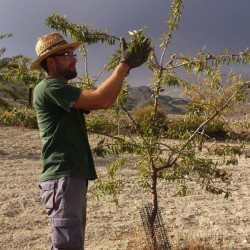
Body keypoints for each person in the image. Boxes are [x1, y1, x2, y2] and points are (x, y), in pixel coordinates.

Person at [30, 32, 151, 250]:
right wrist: (124, 64)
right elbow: (101, 100)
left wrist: (126, 67)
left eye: (73, 53)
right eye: (67, 54)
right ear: (50, 62)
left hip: (68, 177)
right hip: (63, 176)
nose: (74, 58)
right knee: (67, 245)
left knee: (71, 243)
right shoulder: (49, 87)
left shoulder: (62, 91)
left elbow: (106, 98)